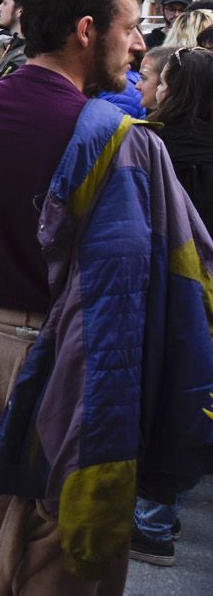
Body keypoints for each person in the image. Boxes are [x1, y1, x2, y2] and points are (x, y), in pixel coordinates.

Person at [0, 0, 161, 594]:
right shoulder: (112, 139)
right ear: (87, 30)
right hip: (69, 354)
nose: (138, 44)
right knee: (63, 550)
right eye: (130, 28)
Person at [130, 45, 213, 566]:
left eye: (156, 81)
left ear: (174, 91)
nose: (147, 88)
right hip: (204, 300)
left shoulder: (155, 147)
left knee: (160, 405)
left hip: (164, 296)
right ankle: (163, 510)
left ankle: (152, 523)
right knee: (193, 407)